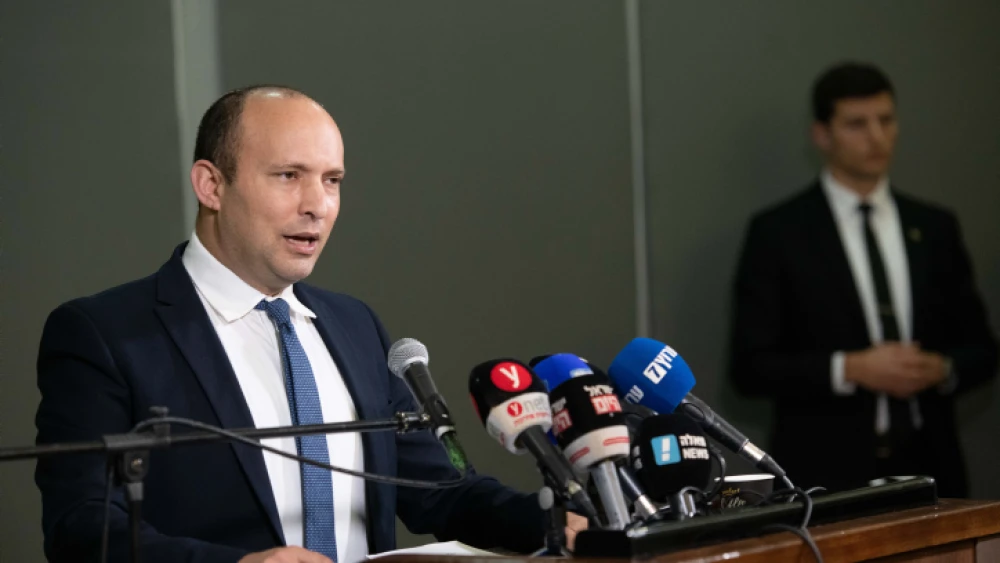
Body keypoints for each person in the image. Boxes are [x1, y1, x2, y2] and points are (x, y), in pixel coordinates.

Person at [34, 86, 586, 563]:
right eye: (288, 176)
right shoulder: (103, 335)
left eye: (332, 180)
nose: (317, 204)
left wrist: (560, 523)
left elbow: (439, 491)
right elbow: (81, 530)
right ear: (211, 185)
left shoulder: (353, 324)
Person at [729, 62, 998, 498]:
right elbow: (750, 367)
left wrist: (941, 369)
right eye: (857, 124)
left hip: (931, 467)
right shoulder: (778, 232)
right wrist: (849, 369)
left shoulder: (934, 227)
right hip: (826, 473)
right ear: (822, 134)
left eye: (886, 120)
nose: (877, 137)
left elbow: (982, 350)